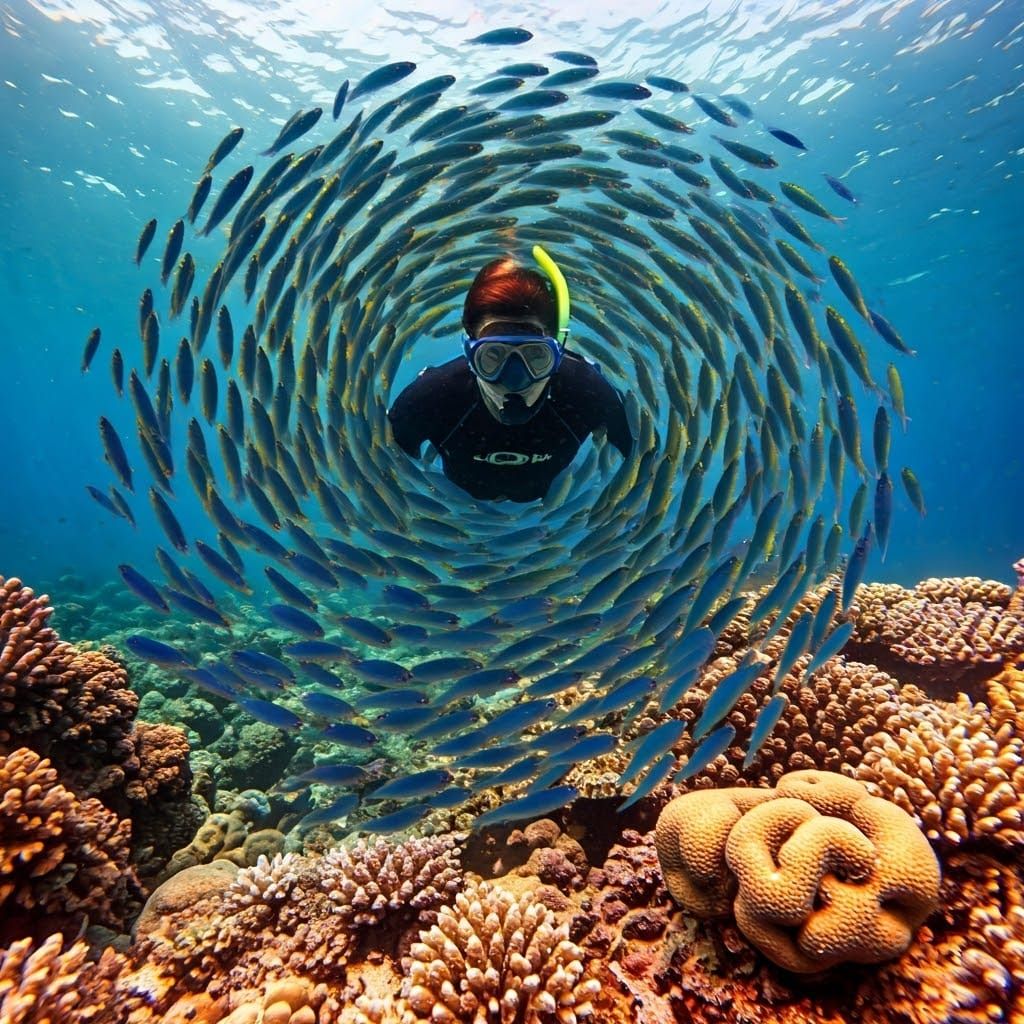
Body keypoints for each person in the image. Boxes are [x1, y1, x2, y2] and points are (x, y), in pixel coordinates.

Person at [387, 246, 633, 503]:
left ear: (558, 351)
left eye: (535, 355)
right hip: (460, 507)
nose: (514, 379)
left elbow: (640, 458)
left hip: (548, 508)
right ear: (469, 353)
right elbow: (383, 465)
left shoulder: (587, 391)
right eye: (493, 356)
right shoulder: (430, 396)